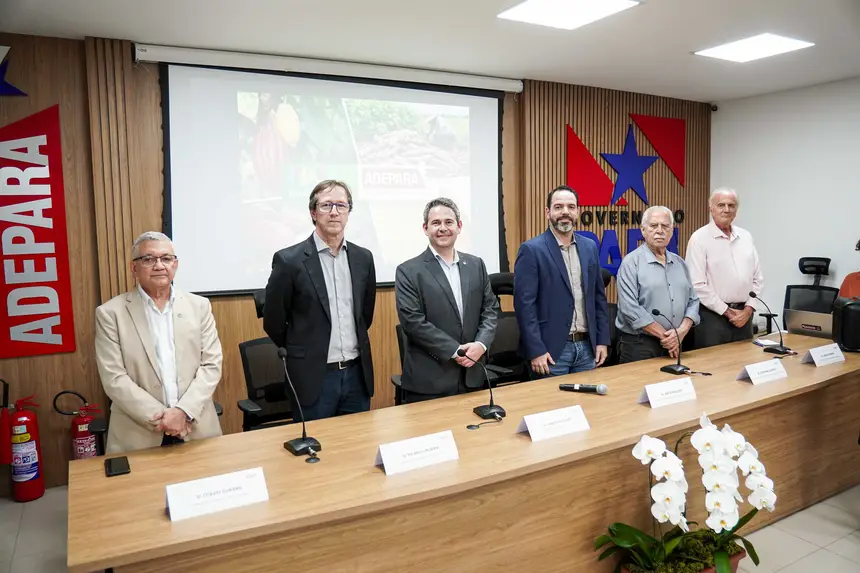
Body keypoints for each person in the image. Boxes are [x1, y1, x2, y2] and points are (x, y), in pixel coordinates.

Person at [94, 232, 223, 453]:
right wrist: (164, 419)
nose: (159, 265)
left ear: (175, 264)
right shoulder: (110, 314)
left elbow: (212, 365)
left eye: (166, 258)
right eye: (148, 259)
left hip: (196, 427)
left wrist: (183, 412)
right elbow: (114, 378)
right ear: (134, 268)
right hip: (138, 435)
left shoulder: (199, 307)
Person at [264, 179, 376, 420]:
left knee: (355, 448)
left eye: (341, 205)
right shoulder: (289, 261)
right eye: (326, 205)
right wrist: (304, 347)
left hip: (357, 376)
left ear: (348, 212)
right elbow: (273, 322)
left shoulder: (363, 258)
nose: (334, 212)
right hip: (313, 377)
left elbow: (365, 316)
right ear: (313, 213)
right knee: (314, 453)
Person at [395, 198, 499, 402]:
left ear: (459, 227)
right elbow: (413, 322)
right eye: (436, 223)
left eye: (449, 222)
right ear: (425, 228)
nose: (443, 228)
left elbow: (491, 309)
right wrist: (455, 351)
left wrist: (481, 344)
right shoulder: (408, 271)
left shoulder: (476, 265)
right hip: (430, 382)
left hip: (474, 378)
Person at [514, 185, 610, 377]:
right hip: (550, 352)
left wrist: (602, 340)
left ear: (577, 211)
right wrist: (536, 350)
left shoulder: (589, 247)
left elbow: (598, 298)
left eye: (571, 207)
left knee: (587, 406)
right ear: (547, 212)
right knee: (553, 407)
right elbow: (525, 306)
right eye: (558, 207)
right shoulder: (531, 250)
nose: (565, 212)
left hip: (587, 348)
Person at [616, 206, 700, 363]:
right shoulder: (631, 262)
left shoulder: (680, 263)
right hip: (640, 345)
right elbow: (629, 308)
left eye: (665, 226)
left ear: (672, 230)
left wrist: (681, 331)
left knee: (673, 387)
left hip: (677, 341)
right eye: (654, 226)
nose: (660, 231)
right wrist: (667, 337)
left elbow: (693, 301)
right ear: (643, 230)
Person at [686, 188, 763, 349]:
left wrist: (748, 310)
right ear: (711, 209)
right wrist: (727, 311)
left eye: (731, 205)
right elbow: (697, 285)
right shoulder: (699, 239)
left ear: (737, 210)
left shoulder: (746, 237)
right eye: (721, 205)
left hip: (745, 316)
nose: (726, 209)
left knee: (743, 364)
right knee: (714, 368)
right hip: (712, 318)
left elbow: (757, 279)